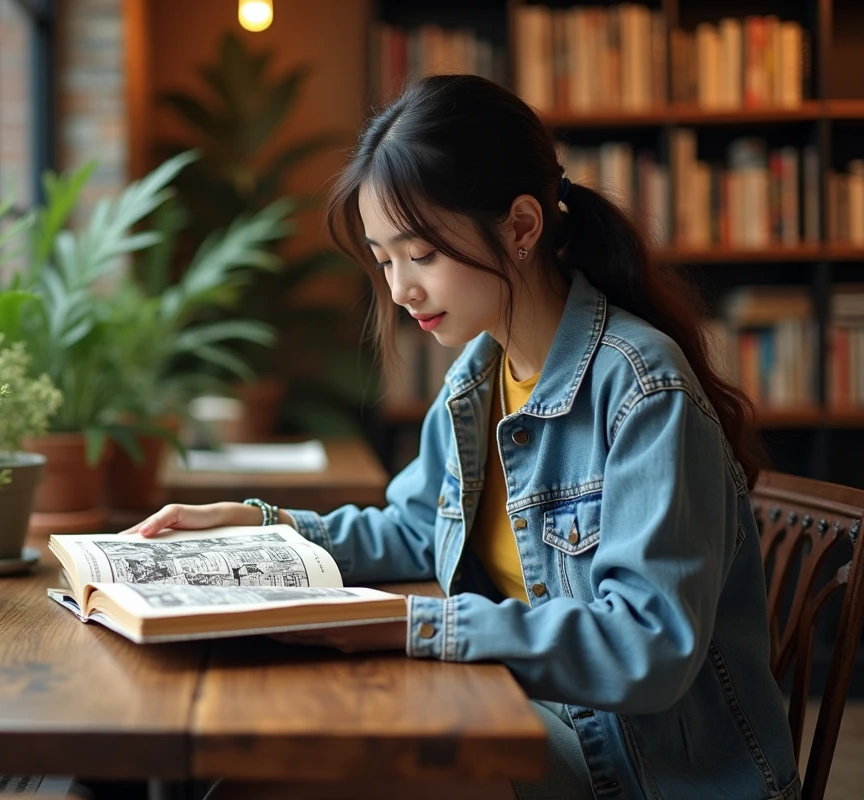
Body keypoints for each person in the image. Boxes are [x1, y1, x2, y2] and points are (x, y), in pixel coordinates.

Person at [123, 75, 798, 800]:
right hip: (516, 713)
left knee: (285, 774)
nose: (399, 291)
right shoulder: (479, 377)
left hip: (637, 770)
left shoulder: (640, 388)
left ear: (520, 227)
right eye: (383, 260)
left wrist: (419, 626)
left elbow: (646, 646)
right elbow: (421, 531)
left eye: (421, 255)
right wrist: (263, 529)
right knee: (259, 763)